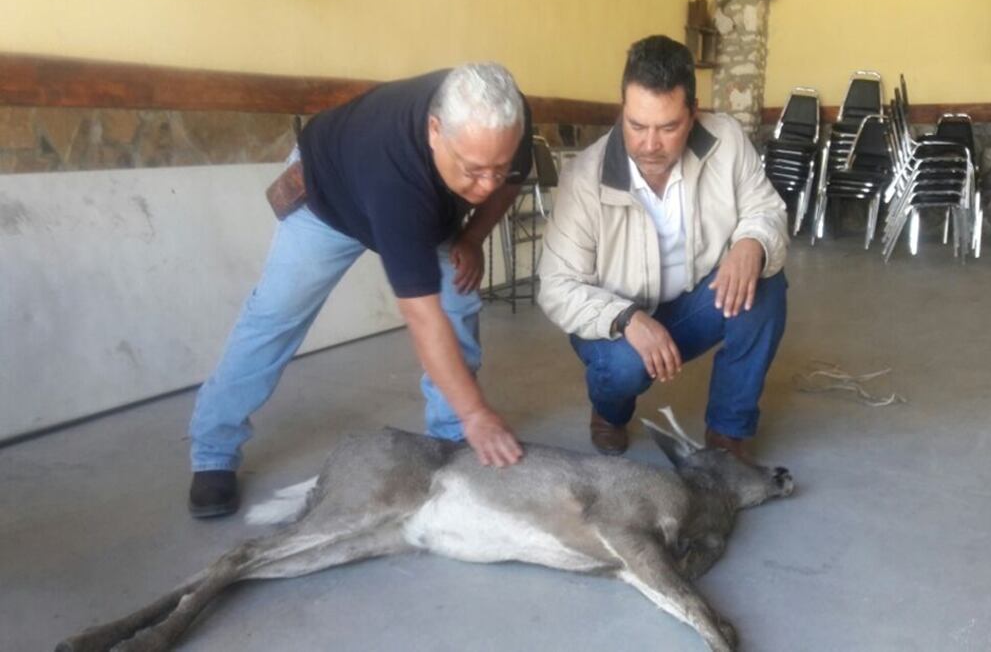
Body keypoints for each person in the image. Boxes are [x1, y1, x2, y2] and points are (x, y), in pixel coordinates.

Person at [187, 63, 531, 518]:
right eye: (473, 170)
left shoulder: (507, 122)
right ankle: (213, 448)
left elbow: (511, 180)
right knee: (274, 316)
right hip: (330, 201)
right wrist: (478, 412)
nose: (486, 186)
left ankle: (450, 440)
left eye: (497, 168)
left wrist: (471, 237)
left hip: (426, 207)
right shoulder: (392, 173)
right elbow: (422, 315)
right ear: (435, 131)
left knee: (459, 300)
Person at [537, 35, 788, 460]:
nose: (650, 144)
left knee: (764, 285)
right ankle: (609, 413)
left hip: (689, 305)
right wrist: (626, 318)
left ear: (693, 113)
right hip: (613, 319)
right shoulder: (584, 179)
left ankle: (726, 437)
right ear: (623, 109)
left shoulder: (725, 139)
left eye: (668, 127)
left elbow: (765, 208)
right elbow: (557, 286)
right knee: (624, 367)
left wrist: (752, 241)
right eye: (636, 125)